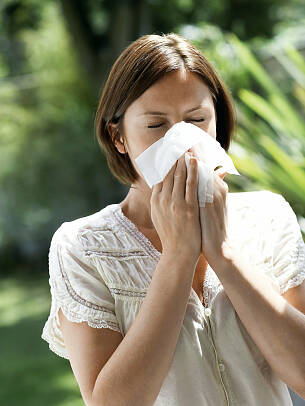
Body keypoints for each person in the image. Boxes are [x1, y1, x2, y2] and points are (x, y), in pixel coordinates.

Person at [41, 33, 305, 405]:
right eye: (156, 125)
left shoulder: (269, 216)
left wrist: (223, 253)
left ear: (218, 124)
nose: (180, 141)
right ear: (117, 136)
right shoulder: (83, 247)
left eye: (196, 120)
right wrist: (179, 255)